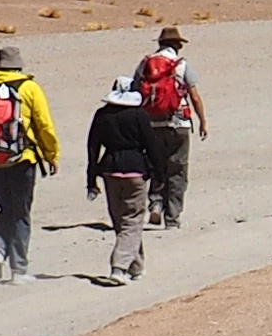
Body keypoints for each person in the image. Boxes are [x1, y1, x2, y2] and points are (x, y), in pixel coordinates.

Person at [0, 45, 57, 281]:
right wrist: (51, 155)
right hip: (22, 158)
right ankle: (19, 269)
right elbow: (44, 125)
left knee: (5, 208)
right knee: (21, 213)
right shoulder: (29, 88)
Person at [82, 78, 164, 285]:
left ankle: (136, 267)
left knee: (121, 220)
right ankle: (118, 268)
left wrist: (91, 179)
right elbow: (152, 146)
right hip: (135, 171)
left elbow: (93, 149)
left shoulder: (102, 115)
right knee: (133, 220)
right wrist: (159, 176)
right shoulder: (139, 115)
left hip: (109, 171)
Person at [141, 26, 206, 228]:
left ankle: (156, 205)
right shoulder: (182, 65)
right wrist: (203, 121)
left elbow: (136, 93)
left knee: (155, 166)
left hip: (152, 124)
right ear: (177, 45)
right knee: (177, 170)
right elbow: (194, 96)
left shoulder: (146, 64)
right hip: (179, 123)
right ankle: (173, 217)